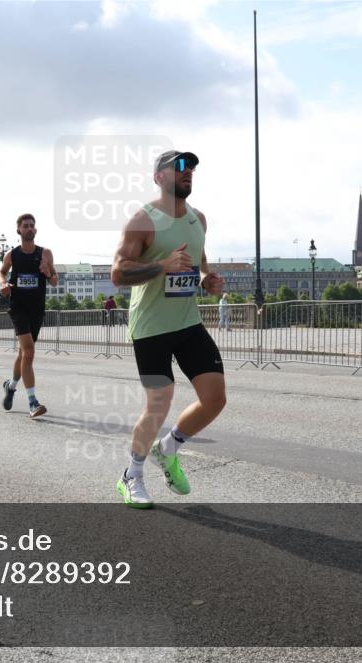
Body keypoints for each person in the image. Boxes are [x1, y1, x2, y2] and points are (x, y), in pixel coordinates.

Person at [109, 150, 227, 508]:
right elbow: (117, 274)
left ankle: (169, 448)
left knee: (215, 399)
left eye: (190, 167)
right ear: (158, 177)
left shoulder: (199, 220)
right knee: (159, 404)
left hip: (187, 321)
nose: (187, 171)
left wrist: (208, 280)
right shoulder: (142, 221)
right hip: (151, 327)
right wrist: (162, 264)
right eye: (179, 166)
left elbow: (200, 263)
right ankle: (131, 475)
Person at [0, 213, 58, 418]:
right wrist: (3, 284)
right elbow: (2, 272)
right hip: (18, 308)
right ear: (19, 231)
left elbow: (55, 281)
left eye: (32, 225)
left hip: (37, 310)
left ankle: (11, 386)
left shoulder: (45, 253)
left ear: (36, 230)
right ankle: (33, 402)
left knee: (23, 354)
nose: (30, 228)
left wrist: (48, 271)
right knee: (29, 351)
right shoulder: (12, 255)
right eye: (26, 226)